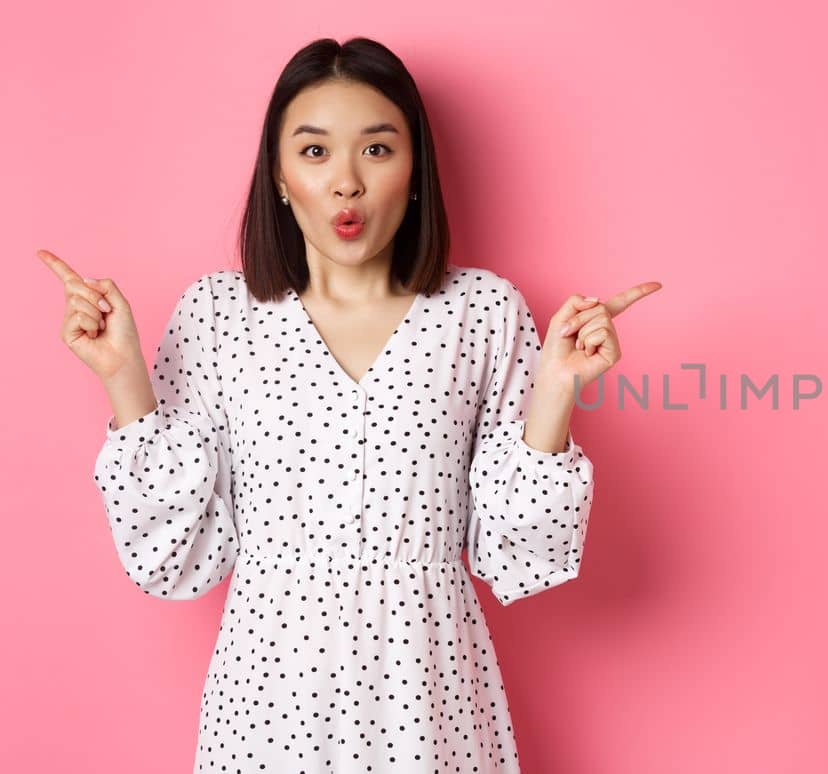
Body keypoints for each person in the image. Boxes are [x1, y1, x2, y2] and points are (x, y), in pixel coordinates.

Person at [39, 36, 660, 772]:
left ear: (416, 170)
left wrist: (555, 390)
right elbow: (177, 557)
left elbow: (520, 556)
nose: (345, 185)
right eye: (313, 152)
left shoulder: (482, 314)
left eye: (375, 149)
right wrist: (122, 380)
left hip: (429, 700)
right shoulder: (218, 315)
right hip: (268, 704)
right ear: (277, 174)